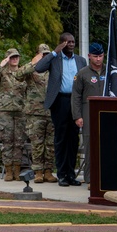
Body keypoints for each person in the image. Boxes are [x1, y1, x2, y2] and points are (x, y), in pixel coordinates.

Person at [34, 32, 87, 186]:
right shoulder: (55, 59)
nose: (71, 44)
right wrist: (54, 52)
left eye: (73, 42)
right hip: (60, 101)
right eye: (67, 42)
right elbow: (38, 67)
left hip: (75, 102)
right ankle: (62, 174)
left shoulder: (80, 60)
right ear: (61, 43)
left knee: (73, 139)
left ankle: (71, 174)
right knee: (61, 139)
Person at [17, 44, 57, 183]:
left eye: (47, 54)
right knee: (37, 144)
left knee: (50, 144)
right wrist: (33, 62)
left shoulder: (54, 68)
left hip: (51, 111)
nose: (45, 57)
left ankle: (48, 171)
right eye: (43, 54)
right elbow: (18, 75)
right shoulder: (32, 69)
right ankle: (38, 171)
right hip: (35, 113)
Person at [0, 48, 26, 182]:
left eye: (16, 57)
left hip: (20, 110)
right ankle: (8, 170)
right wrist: (0, 65)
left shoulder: (23, 72)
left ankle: (17, 170)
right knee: (7, 141)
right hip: (5, 110)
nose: (15, 59)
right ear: (7, 59)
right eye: (12, 57)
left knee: (19, 141)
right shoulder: (2, 72)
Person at [71, 42, 106, 185]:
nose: (98, 59)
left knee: (106, 146)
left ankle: (105, 177)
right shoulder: (82, 74)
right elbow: (76, 96)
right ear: (89, 56)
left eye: (101, 56)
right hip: (88, 112)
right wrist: (77, 116)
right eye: (95, 56)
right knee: (90, 145)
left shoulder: (109, 71)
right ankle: (91, 179)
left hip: (107, 113)